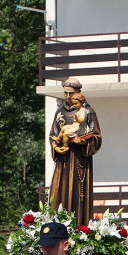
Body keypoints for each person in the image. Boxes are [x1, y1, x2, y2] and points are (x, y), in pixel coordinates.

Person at [47, 79, 102, 225]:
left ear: (78, 93)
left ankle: (80, 228)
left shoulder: (88, 112)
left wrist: (84, 142)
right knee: (61, 195)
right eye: (65, 93)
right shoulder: (60, 112)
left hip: (79, 160)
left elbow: (96, 136)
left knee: (79, 196)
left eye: (70, 93)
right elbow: (53, 134)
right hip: (63, 162)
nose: (67, 96)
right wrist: (56, 147)